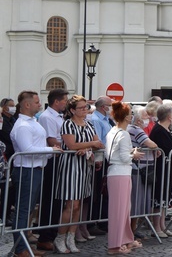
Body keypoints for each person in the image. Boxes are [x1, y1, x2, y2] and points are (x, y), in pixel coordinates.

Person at [10, 91, 60, 257]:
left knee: (28, 210)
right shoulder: (23, 126)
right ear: (27, 104)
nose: (40, 105)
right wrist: (50, 150)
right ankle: (20, 249)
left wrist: (48, 152)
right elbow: (27, 150)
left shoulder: (32, 122)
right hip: (26, 170)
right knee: (23, 211)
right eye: (37, 102)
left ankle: (23, 246)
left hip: (36, 169)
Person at [54, 94, 105, 254]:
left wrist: (88, 148)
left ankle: (71, 236)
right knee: (71, 205)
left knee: (79, 205)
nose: (85, 110)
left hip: (85, 166)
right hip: (71, 167)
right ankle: (60, 237)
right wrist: (90, 144)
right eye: (81, 108)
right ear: (72, 110)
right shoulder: (68, 125)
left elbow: (99, 144)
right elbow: (71, 144)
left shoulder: (88, 124)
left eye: (86, 107)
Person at [106, 101, 145, 255]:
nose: (132, 116)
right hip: (120, 173)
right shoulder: (123, 134)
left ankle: (125, 239)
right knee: (119, 211)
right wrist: (133, 155)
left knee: (123, 210)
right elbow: (123, 157)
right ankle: (115, 245)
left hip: (118, 173)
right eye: (130, 114)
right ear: (127, 118)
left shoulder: (112, 131)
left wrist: (130, 153)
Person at [35, 89, 70, 252]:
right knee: (49, 199)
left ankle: (52, 233)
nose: (67, 103)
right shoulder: (47, 117)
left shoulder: (59, 116)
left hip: (59, 159)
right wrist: (69, 146)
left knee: (57, 199)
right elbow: (51, 140)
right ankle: (45, 236)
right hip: (52, 161)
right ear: (57, 101)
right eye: (65, 100)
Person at [149, 104, 172, 237]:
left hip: (169, 168)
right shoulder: (159, 130)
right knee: (159, 197)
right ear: (169, 116)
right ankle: (156, 227)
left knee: (165, 198)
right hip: (161, 168)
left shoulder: (168, 129)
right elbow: (167, 149)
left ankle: (162, 225)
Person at [128, 106, 159, 238]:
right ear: (139, 119)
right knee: (136, 201)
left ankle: (133, 229)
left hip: (142, 168)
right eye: (146, 116)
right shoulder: (135, 129)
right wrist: (156, 147)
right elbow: (150, 144)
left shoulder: (135, 129)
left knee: (139, 201)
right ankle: (131, 230)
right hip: (138, 169)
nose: (148, 118)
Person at [86, 96, 114, 237]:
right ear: (103, 107)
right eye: (110, 105)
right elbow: (97, 141)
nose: (112, 107)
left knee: (103, 191)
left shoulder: (106, 120)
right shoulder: (95, 120)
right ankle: (92, 222)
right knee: (97, 191)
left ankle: (101, 220)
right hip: (99, 159)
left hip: (106, 157)